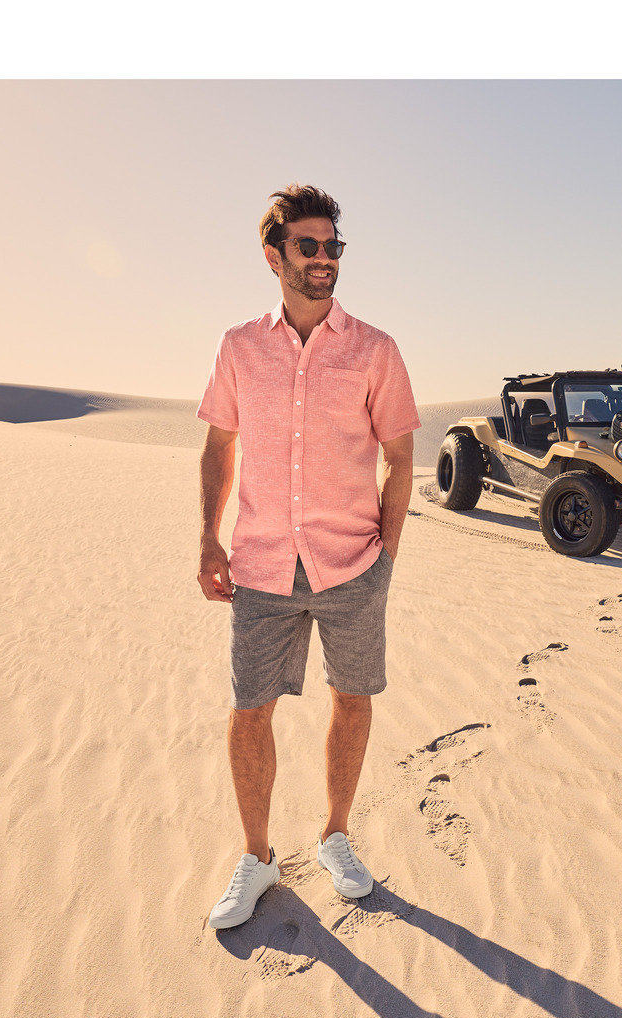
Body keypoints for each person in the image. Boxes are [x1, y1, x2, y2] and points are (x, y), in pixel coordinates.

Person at [196, 184, 420, 930]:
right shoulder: (239, 347)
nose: (325, 259)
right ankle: (257, 856)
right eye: (309, 246)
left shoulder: (375, 350)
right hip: (260, 565)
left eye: (334, 247)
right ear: (275, 256)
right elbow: (219, 445)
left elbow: (399, 457)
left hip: (352, 565)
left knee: (352, 699)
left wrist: (386, 556)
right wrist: (208, 537)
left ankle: (335, 836)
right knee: (248, 711)